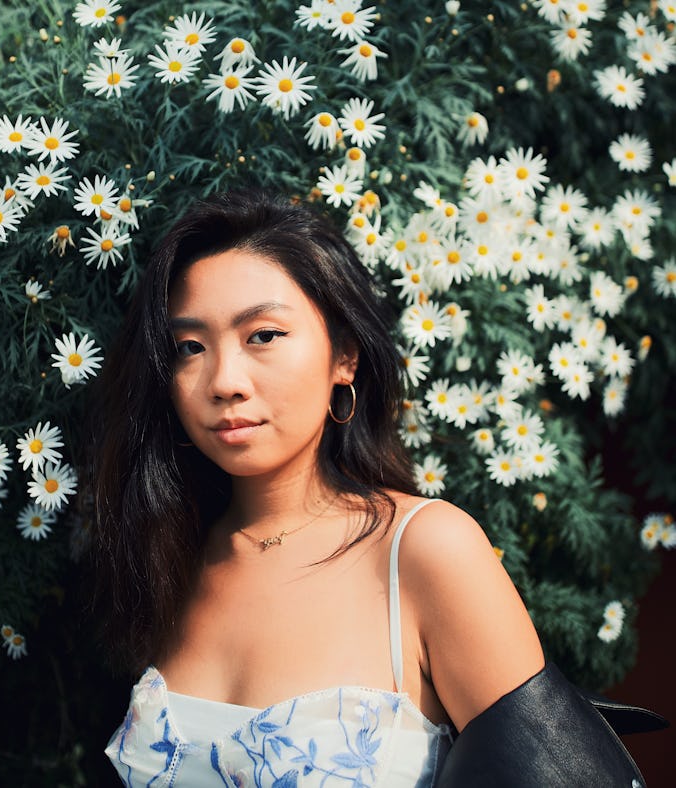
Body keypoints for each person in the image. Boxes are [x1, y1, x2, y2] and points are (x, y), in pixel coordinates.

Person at [92, 189, 648, 786]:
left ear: (345, 356)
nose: (225, 380)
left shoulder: (423, 549)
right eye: (189, 348)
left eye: (264, 335)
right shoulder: (164, 556)